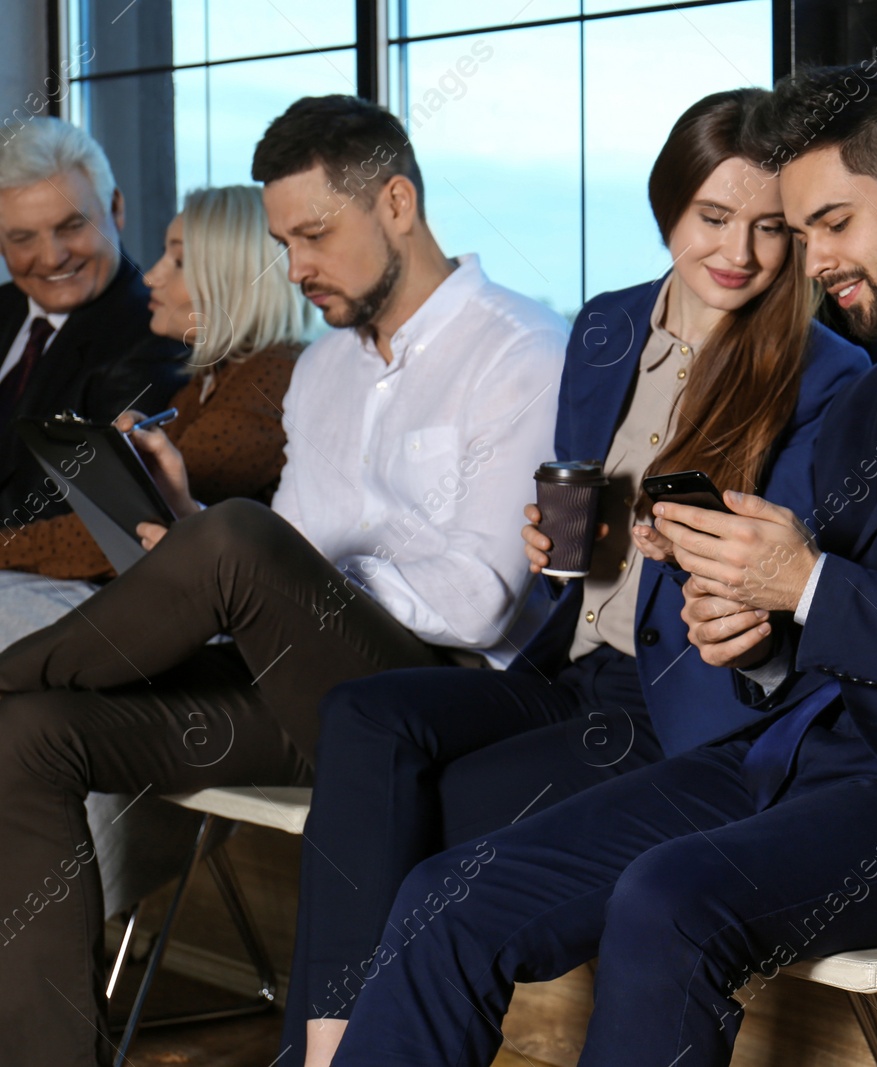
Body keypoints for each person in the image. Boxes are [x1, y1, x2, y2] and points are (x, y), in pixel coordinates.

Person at [321, 62, 877, 1067]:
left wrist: (802, 584)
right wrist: (751, 630)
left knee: (668, 901)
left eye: (833, 221)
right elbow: (813, 634)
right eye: (803, 234)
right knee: (444, 895)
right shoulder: (869, 405)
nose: (813, 259)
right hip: (789, 753)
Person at [279, 87, 869, 1067]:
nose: (740, 252)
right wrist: (574, 549)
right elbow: (579, 547)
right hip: (566, 670)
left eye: (772, 229)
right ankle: (329, 1049)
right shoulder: (605, 329)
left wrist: (709, 566)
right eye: (712, 218)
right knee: (365, 718)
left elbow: (790, 599)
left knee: (412, 833)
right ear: (667, 205)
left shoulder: (825, 376)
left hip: (675, 709)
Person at [0, 94, 565, 1067]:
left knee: (239, 537)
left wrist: (275, 564)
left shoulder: (523, 352)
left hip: (443, 696)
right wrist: (185, 534)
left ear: (396, 203)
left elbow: (479, 598)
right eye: (282, 239)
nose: (295, 266)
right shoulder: (325, 374)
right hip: (303, 698)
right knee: (26, 734)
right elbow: (276, 562)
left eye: (315, 234)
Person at [0, 184, 313, 648]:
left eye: (179, 262)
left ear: (230, 277)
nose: (152, 277)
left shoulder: (269, 381)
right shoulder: (215, 381)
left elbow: (134, 523)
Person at [0, 117, 186, 545]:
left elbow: (66, 506)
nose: (52, 258)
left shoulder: (154, 336)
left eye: (72, 226)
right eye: (24, 238)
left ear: (116, 208)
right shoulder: (4, 308)